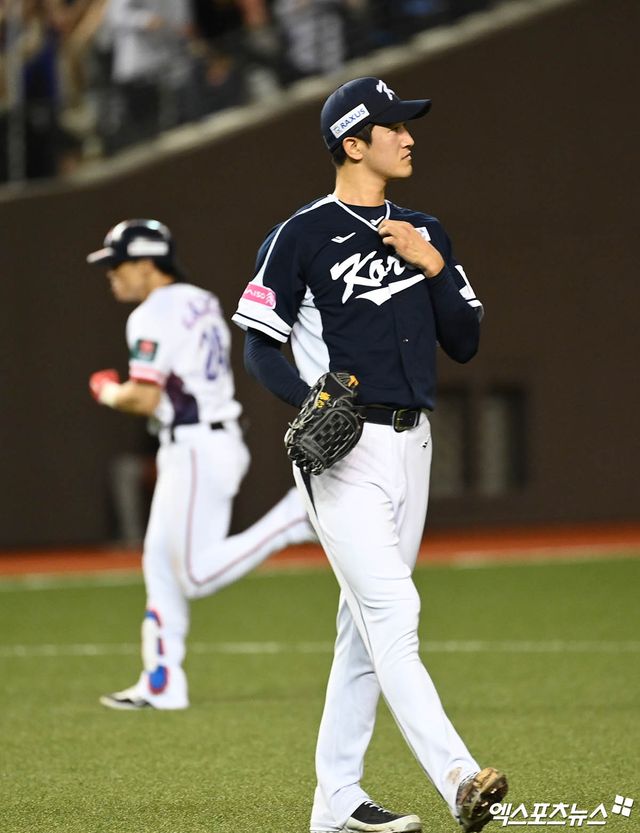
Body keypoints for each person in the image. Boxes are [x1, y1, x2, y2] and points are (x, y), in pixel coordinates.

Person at [232, 77, 508, 833]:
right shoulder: (302, 235)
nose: (409, 136)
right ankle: (458, 775)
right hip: (342, 450)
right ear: (354, 143)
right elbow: (260, 344)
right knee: (393, 607)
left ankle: (337, 802)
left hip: (413, 441)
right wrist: (307, 402)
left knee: (362, 626)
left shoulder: (426, 229)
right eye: (394, 127)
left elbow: (466, 339)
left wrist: (433, 263)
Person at [87, 218, 314, 710]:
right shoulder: (201, 299)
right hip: (205, 441)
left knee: (192, 574)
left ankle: (293, 518)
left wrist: (106, 391)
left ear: (147, 263)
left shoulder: (153, 312)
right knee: (159, 567)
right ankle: (162, 681)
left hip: (196, 447)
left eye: (118, 264)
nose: (111, 274)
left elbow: (144, 398)